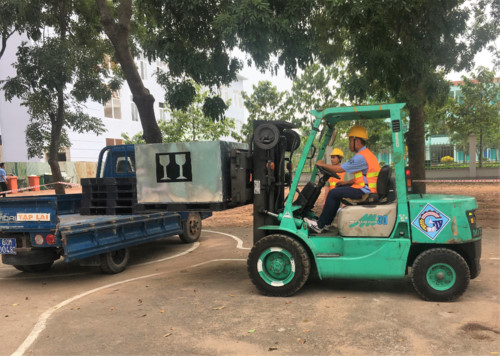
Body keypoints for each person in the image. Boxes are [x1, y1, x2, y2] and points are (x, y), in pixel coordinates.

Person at [305, 125, 380, 233]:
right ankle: (326, 223)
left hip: (365, 190)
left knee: (333, 193)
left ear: (356, 140)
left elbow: (339, 169)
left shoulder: (361, 156)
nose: (349, 144)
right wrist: (345, 183)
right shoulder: (367, 154)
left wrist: (322, 164)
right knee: (337, 191)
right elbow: (364, 177)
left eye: (350, 140)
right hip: (365, 187)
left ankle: (320, 225)